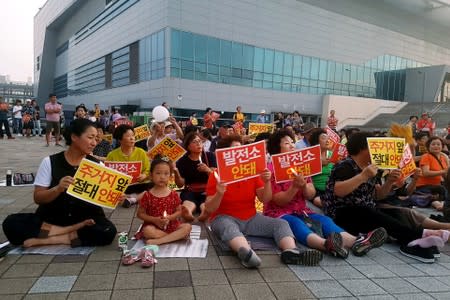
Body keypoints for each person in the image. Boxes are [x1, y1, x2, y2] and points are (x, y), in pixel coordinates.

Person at [323, 131, 450, 263]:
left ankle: (414, 240)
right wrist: (362, 176)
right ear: (363, 148)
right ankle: (420, 236)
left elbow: (378, 196)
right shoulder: (346, 165)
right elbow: (338, 191)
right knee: (368, 211)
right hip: (342, 213)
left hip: (366, 211)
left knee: (394, 213)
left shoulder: (372, 167)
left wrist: (389, 182)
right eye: (373, 146)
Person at [204, 134, 323, 268]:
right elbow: (209, 208)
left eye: (242, 148)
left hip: (251, 218)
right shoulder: (216, 176)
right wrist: (219, 193)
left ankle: (291, 251)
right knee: (229, 228)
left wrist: (267, 182)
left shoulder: (252, 173)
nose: (241, 152)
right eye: (236, 149)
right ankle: (247, 253)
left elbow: (264, 198)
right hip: (223, 217)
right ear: (225, 155)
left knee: (280, 224)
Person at [265, 129, 387, 258]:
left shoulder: (300, 165)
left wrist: (304, 186)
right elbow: (279, 201)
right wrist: (294, 188)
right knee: (295, 223)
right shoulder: (271, 168)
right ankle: (325, 244)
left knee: (325, 220)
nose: (292, 146)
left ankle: (356, 242)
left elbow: (310, 194)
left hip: (302, 210)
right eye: (286, 143)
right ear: (276, 148)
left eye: (292, 142)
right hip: (278, 213)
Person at [2, 118, 117, 248]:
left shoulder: (97, 165)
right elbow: (38, 197)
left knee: (108, 231)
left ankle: (52, 239)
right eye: (90, 137)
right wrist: (57, 188)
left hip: (85, 218)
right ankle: (69, 232)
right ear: (74, 137)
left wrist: (114, 195)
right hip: (52, 218)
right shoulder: (50, 162)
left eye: (96, 138)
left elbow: (103, 197)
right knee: (11, 223)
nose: (94, 143)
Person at [134, 156, 192, 245]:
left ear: (170, 176)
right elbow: (140, 214)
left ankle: (159, 241)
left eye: (166, 174)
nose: (162, 177)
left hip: (171, 225)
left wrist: (170, 217)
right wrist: (154, 220)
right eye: (158, 173)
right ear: (151, 175)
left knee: (187, 227)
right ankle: (175, 237)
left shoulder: (173, 194)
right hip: (154, 226)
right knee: (147, 231)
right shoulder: (147, 195)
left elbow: (179, 211)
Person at [174, 132, 217, 222]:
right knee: (188, 202)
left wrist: (207, 170)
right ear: (188, 146)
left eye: (200, 141)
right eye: (194, 142)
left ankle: (204, 213)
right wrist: (176, 173)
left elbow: (216, 176)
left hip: (207, 190)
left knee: (205, 203)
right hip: (190, 189)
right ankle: (188, 212)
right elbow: (180, 184)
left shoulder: (210, 156)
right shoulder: (183, 161)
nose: (198, 144)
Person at [106, 124, 150, 206]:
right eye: (128, 136)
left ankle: (132, 199)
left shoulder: (141, 152)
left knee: (153, 187)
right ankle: (132, 198)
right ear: (120, 139)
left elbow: (148, 169)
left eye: (133, 135)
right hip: (122, 187)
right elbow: (107, 173)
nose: (132, 138)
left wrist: (144, 175)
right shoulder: (112, 155)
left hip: (139, 184)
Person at [415, 136, 449, 211]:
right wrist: (443, 171)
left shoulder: (443, 157)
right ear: (428, 146)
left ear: (442, 146)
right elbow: (426, 173)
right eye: (433, 144)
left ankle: (440, 203)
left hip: (438, 185)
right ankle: (439, 205)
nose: (436, 146)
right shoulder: (426, 156)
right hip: (424, 186)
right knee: (441, 190)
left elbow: (445, 175)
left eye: (438, 144)